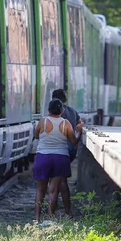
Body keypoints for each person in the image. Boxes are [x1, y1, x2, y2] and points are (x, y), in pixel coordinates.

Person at [33, 99, 83, 221]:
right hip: (60, 158)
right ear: (63, 110)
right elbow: (74, 142)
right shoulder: (66, 124)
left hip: (43, 157)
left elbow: (36, 136)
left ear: (48, 110)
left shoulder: (43, 122)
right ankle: (50, 218)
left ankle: (37, 217)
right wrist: (80, 132)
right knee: (53, 191)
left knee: (40, 189)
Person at [52, 89, 82, 217]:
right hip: (71, 150)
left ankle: (63, 210)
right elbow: (80, 124)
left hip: (60, 149)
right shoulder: (73, 111)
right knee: (60, 177)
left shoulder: (56, 111)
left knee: (60, 179)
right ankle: (61, 208)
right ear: (65, 99)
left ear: (53, 99)